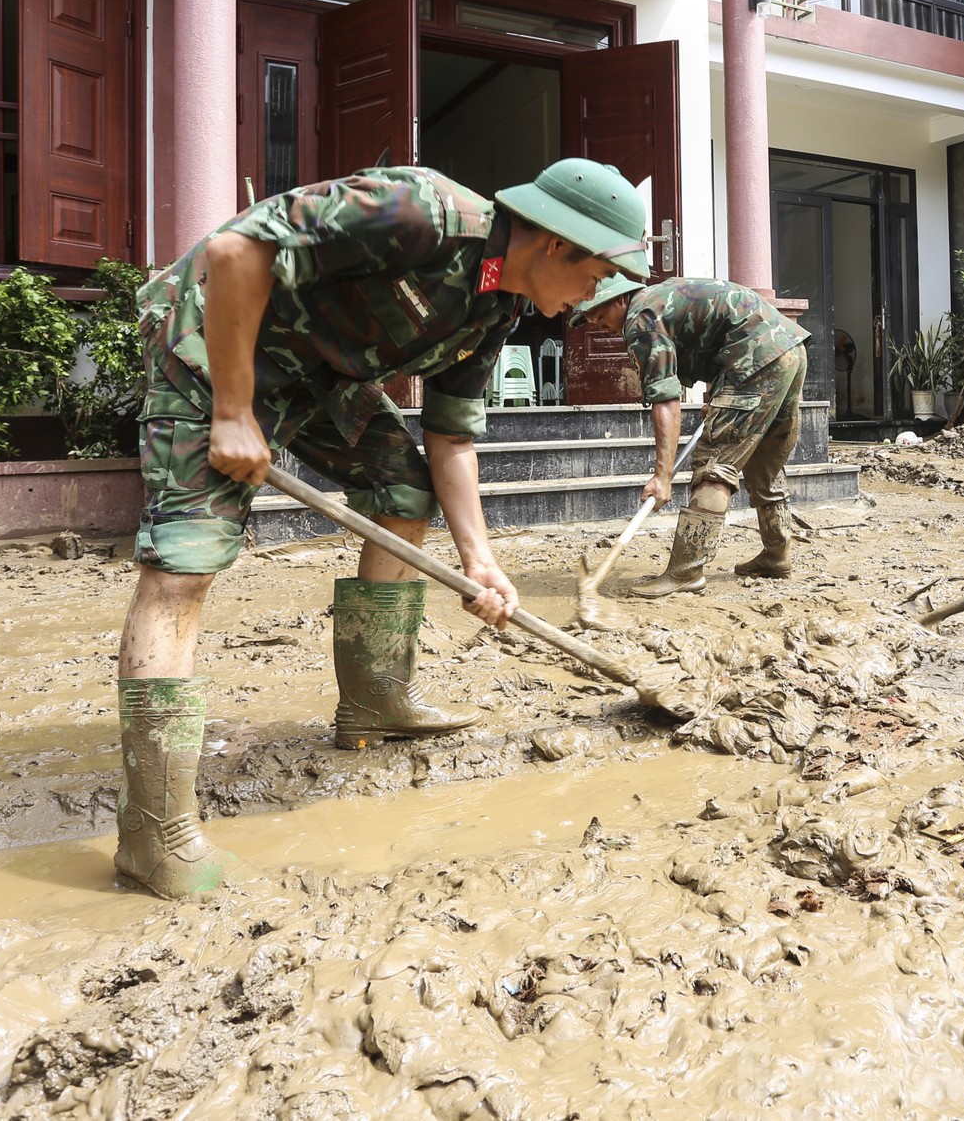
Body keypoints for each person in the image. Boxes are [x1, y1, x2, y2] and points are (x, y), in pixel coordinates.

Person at [118, 160, 650, 899]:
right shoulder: (420, 213)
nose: (594, 296)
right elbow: (236, 252)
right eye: (598, 274)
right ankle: (154, 835)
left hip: (315, 370)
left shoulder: (498, 305)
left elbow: (451, 439)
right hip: (212, 349)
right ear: (558, 244)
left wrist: (482, 561)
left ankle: (373, 697)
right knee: (184, 565)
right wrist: (235, 412)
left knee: (404, 486)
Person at [572, 274, 809, 595]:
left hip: (755, 357)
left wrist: (662, 475)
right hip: (787, 349)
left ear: (619, 299)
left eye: (600, 317)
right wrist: (723, 397)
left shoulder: (640, 320)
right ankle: (776, 554)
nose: (600, 327)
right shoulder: (660, 300)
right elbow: (721, 329)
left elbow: (666, 401)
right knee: (763, 460)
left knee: (714, 465)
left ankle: (686, 572)